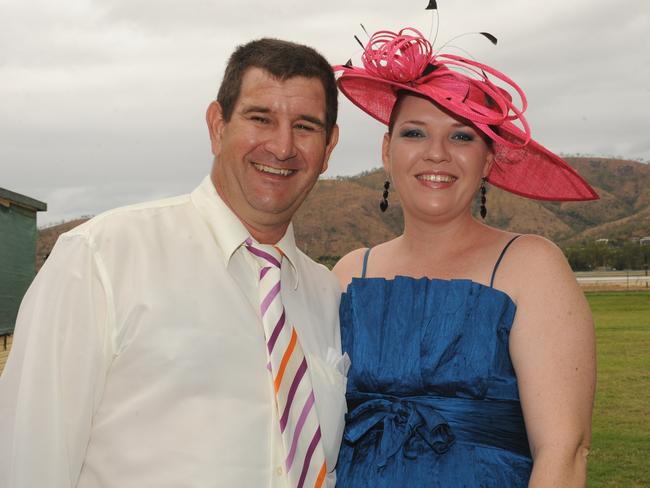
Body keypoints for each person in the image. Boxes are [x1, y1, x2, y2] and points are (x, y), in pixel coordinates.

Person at [0, 38, 348, 488]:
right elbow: (27, 463)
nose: (282, 146)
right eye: (260, 118)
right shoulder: (101, 259)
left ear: (330, 146)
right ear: (217, 126)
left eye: (305, 126)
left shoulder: (325, 293)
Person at [332, 26, 597, 487]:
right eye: (415, 133)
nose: (436, 154)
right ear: (386, 151)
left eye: (461, 137)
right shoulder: (349, 273)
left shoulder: (530, 265)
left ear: (489, 159)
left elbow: (564, 450)